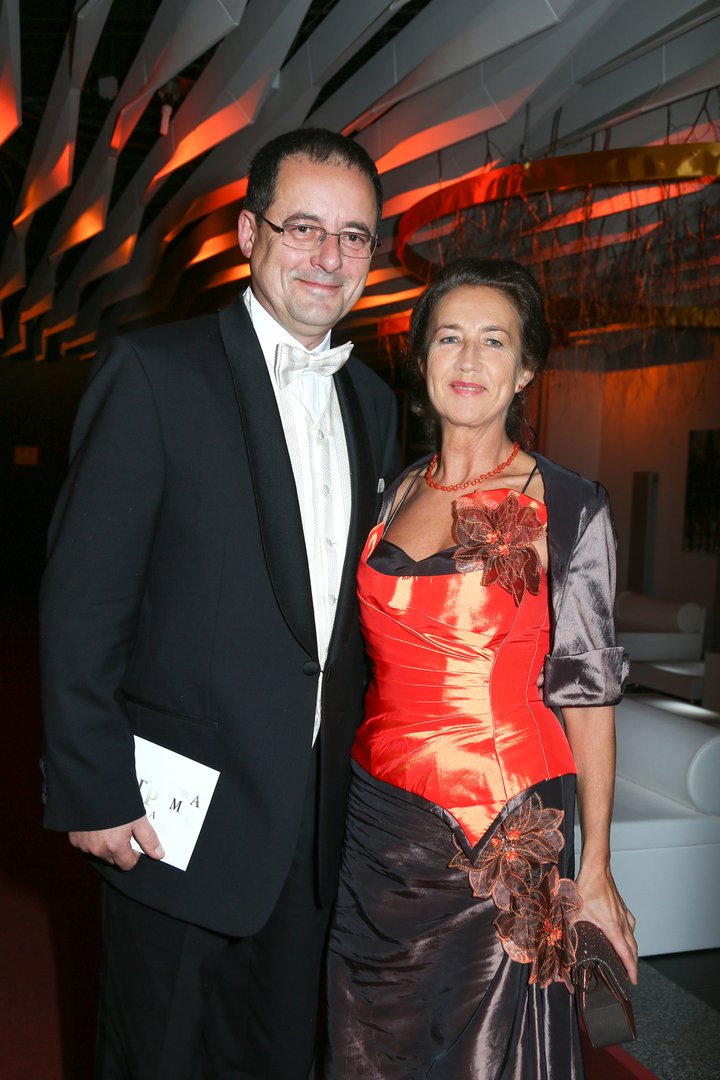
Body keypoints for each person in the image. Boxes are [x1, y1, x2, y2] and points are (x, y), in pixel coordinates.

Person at [40, 127, 400, 1080]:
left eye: (353, 236)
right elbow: (82, 603)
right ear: (249, 233)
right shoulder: (154, 374)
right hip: (169, 819)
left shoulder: (373, 404)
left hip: (313, 833)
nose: (328, 256)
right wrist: (91, 788)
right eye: (303, 227)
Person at [326, 257, 638, 1078]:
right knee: (368, 1043)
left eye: (494, 341)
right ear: (420, 357)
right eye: (449, 338)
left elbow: (590, 696)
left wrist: (595, 869)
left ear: (526, 367)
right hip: (378, 827)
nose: (469, 360)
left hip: (500, 826)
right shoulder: (394, 491)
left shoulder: (568, 504)